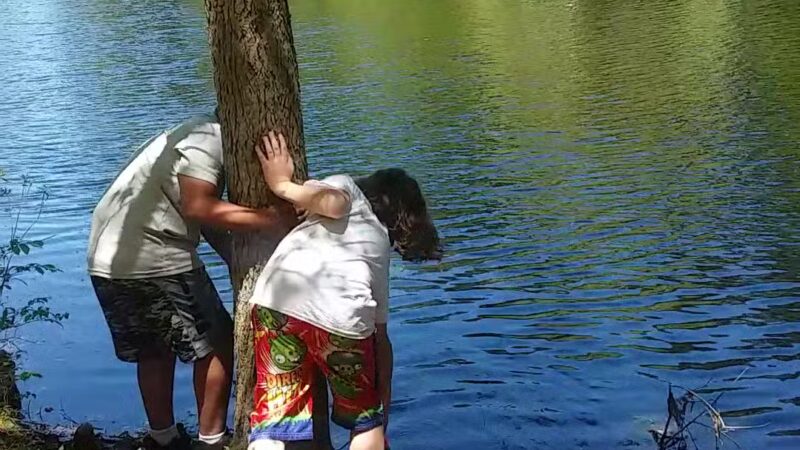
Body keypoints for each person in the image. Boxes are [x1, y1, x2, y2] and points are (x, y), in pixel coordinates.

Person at [87, 113, 298, 450]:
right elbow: (198, 206)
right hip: (155, 256)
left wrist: (236, 259)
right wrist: (269, 220)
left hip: (107, 258)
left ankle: (163, 438)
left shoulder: (189, 133)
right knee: (218, 345)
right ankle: (211, 441)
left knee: (154, 350)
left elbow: (201, 217)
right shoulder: (209, 139)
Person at [246, 132, 442, 450]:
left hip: (276, 305)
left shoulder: (346, 187)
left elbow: (334, 202)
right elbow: (379, 336)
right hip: (341, 321)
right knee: (364, 420)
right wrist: (377, 418)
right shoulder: (377, 243)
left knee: (277, 413)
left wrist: (287, 187)